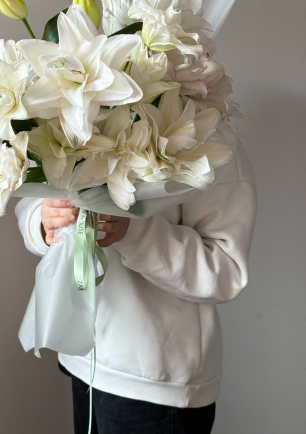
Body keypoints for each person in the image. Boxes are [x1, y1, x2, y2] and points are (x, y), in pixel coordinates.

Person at [15, 167, 258, 434]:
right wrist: (44, 221)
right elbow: (33, 196)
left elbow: (226, 272)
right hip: (81, 358)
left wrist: (134, 231)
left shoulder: (217, 149)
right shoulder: (68, 138)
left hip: (155, 383)